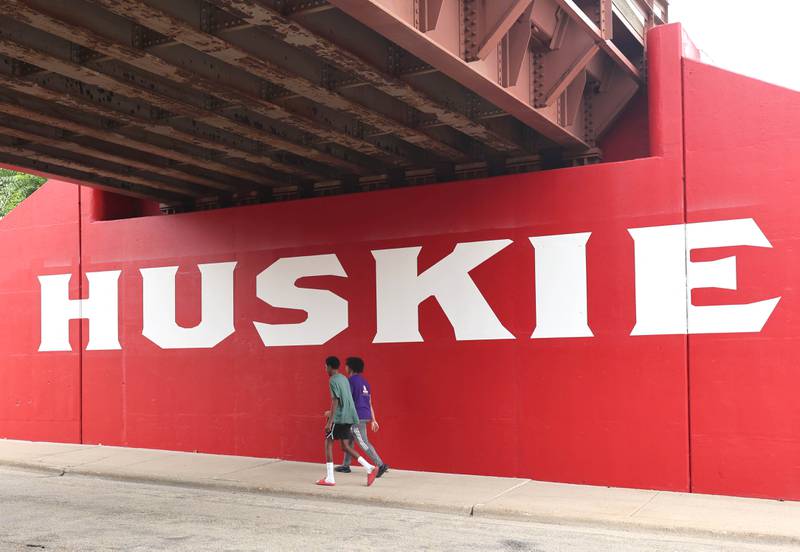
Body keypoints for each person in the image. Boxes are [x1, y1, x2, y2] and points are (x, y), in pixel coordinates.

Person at [317, 356, 377, 487]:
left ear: (329, 367)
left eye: (325, 366)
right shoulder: (344, 378)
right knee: (346, 446)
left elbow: (335, 400)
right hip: (350, 417)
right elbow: (348, 399)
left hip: (339, 418)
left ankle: (330, 478)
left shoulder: (333, 380)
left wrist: (329, 420)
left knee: (328, 443)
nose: (325, 368)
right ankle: (369, 468)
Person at [336, 357, 388, 477]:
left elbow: (347, 400)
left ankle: (380, 465)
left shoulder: (351, 381)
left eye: (346, 365)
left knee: (363, 442)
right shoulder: (365, 383)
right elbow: (369, 403)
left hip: (356, 417)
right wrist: (374, 419)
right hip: (364, 415)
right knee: (348, 440)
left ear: (350, 367)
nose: (345, 368)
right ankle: (346, 465)